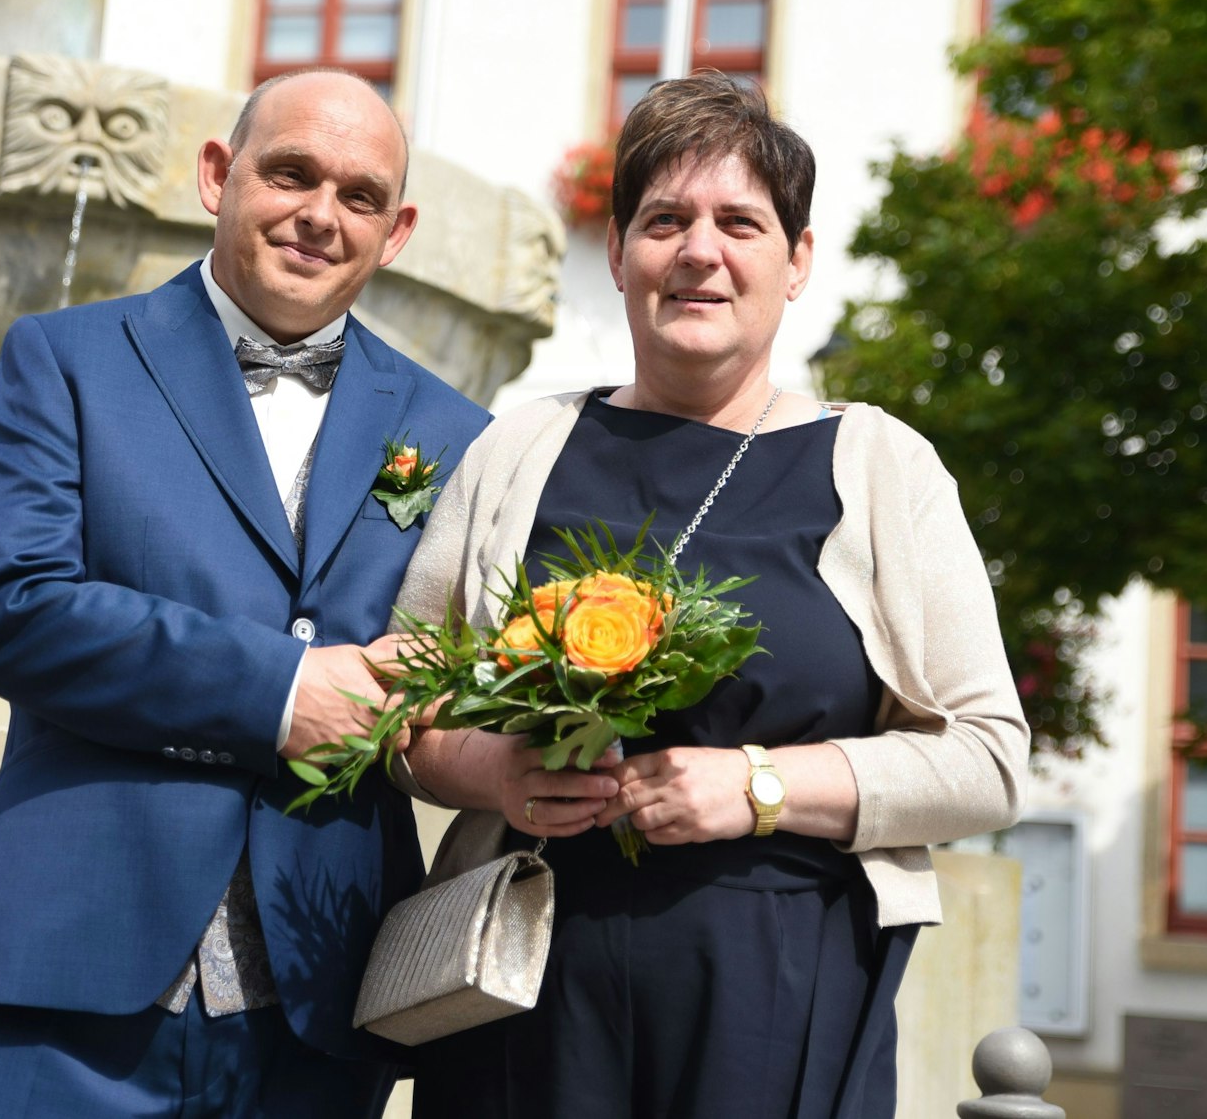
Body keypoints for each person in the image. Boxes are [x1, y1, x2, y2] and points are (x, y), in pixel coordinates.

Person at [393, 70, 1029, 1119]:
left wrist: (758, 784)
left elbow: (987, 756)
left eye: (739, 221)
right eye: (663, 220)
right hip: (523, 984)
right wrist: (498, 770)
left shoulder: (877, 465)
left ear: (795, 263)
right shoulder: (516, 447)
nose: (699, 250)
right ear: (617, 255)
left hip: (781, 987)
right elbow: (401, 700)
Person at [0, 68, 490, 1118]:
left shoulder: (452, 430)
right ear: (217, 175)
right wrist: (281, 690)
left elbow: (447, 663)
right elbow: (12, 606)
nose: (319, 214)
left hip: (320, 1003)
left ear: (394, 231)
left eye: (358, 196)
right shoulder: (68, 359)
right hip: (66, 981)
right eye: (290, 174)